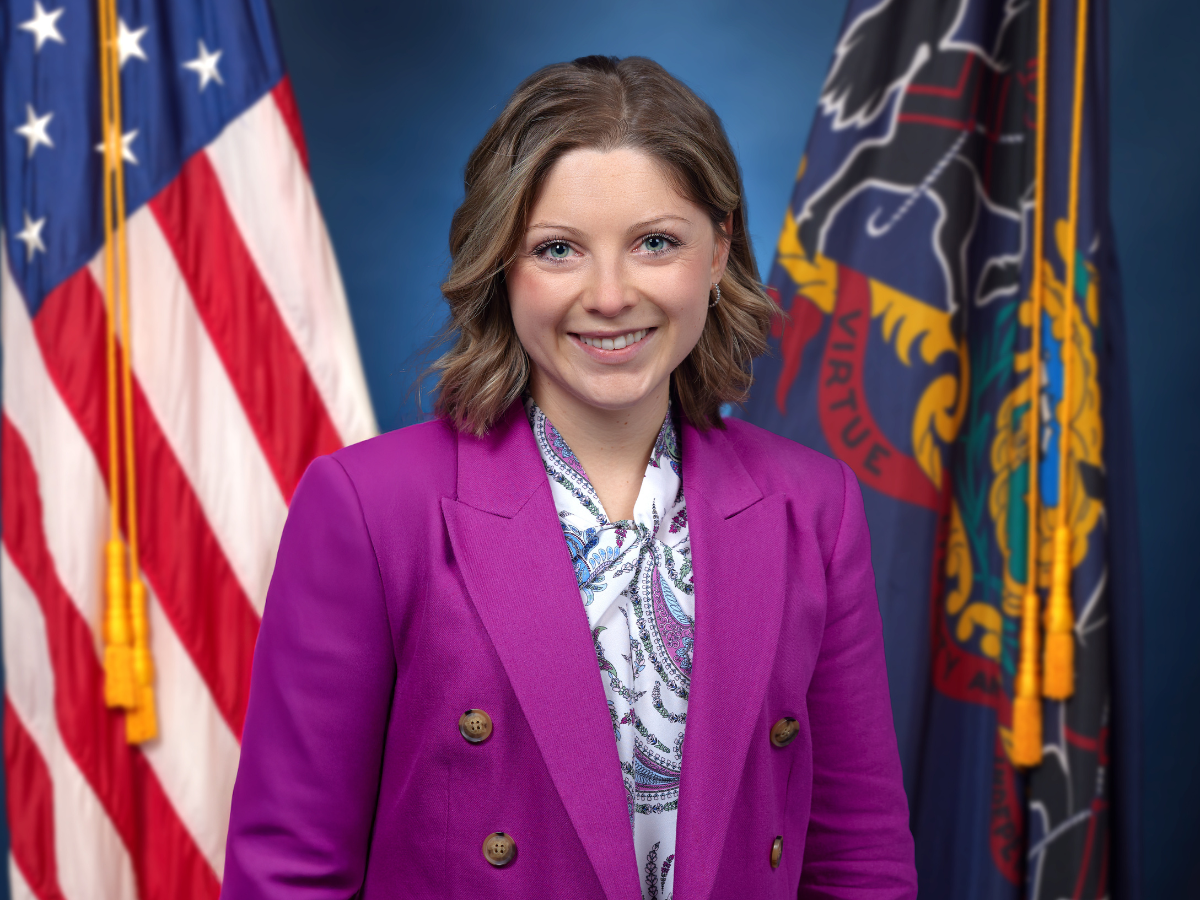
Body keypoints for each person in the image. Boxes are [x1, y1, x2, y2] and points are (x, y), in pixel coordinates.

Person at [222, 55, 917, 900]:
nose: (611, 294)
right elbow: (290, 872)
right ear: (501, 267)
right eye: (558, 250)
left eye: (655, 242)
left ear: (718, 252)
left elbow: (860, 863)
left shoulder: (814, 507)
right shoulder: (370, 508)